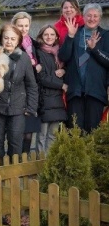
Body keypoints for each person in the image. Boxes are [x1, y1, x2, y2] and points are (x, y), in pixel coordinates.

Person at [0, 24, 38, 160]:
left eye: (12, 39)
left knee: (15, 142)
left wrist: (31, 108)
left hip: (18, 108)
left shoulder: (24, 58)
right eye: (6, 38)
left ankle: (13, 173)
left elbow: (31, 85)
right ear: (1, 39)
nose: (9, 41)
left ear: (18, 41)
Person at [58, 3, 109, 133]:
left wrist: (95, 49)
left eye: (95, 16)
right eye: (89, 15)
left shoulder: (106, 35)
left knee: (93, 131)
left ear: (100, 18)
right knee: (75, 131)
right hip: (75, 90)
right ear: (83, 16)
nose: (92, 19)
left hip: (95, 91)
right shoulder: (74, 33)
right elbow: (63, 56)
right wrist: (69, 37)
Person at [11, 12, 41, 154]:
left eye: (26, 26)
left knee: (29, 134)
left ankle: (24, 161)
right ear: (14, 26)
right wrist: (33, 65)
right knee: (17, 134)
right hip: (17, 95)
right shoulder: (10, 45)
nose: (23, 29)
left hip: (32, 93)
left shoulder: (33, 44)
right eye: (20, 26)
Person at [35, 25, 67, 156]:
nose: (49, 37)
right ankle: (39, 165)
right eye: (46, 35)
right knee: (41, 136)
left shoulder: (59, 54)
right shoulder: (39, 53)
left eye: (52, 35)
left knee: (53, 135)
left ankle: (49, 165)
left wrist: (64, 70)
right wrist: (61, 85)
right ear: (41, 37)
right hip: (44, 99)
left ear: (57, 37)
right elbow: (42, 77)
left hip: (57, 100)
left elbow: (66, 71)